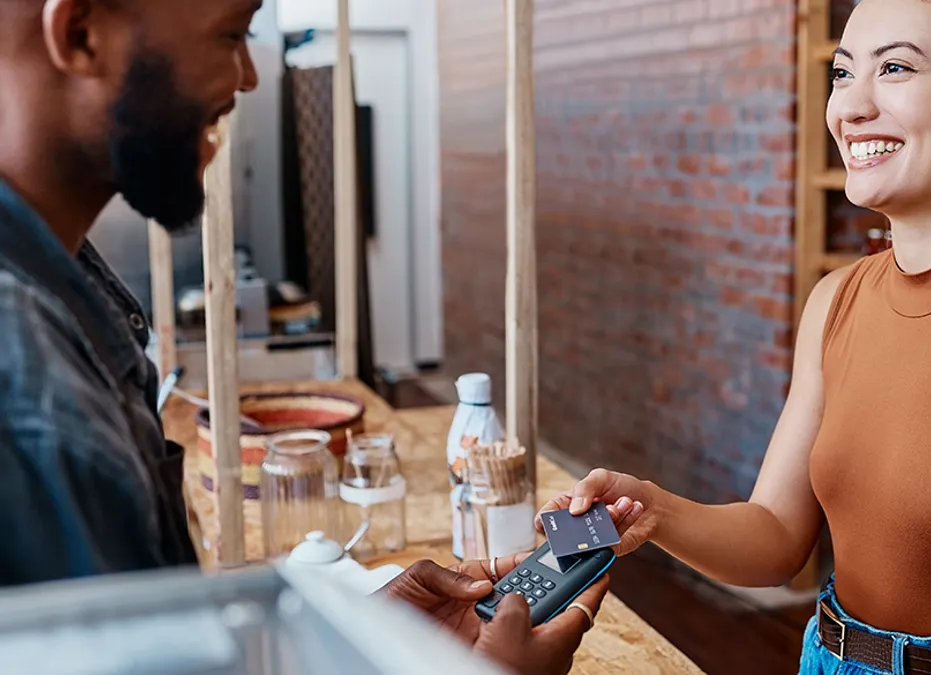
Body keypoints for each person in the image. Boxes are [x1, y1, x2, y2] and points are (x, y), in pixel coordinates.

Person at [538, 1, 931, 673]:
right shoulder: (835, 302)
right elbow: (777, 537)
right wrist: (651, 509)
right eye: (843, 74)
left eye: (895, 67)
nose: (851, 106)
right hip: (825, 654)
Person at [0, 2, 605, 673]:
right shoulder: (28, 380)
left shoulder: (70, 295)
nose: (249, 77)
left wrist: (359, 636)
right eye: (231, 34)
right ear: (80, 34)